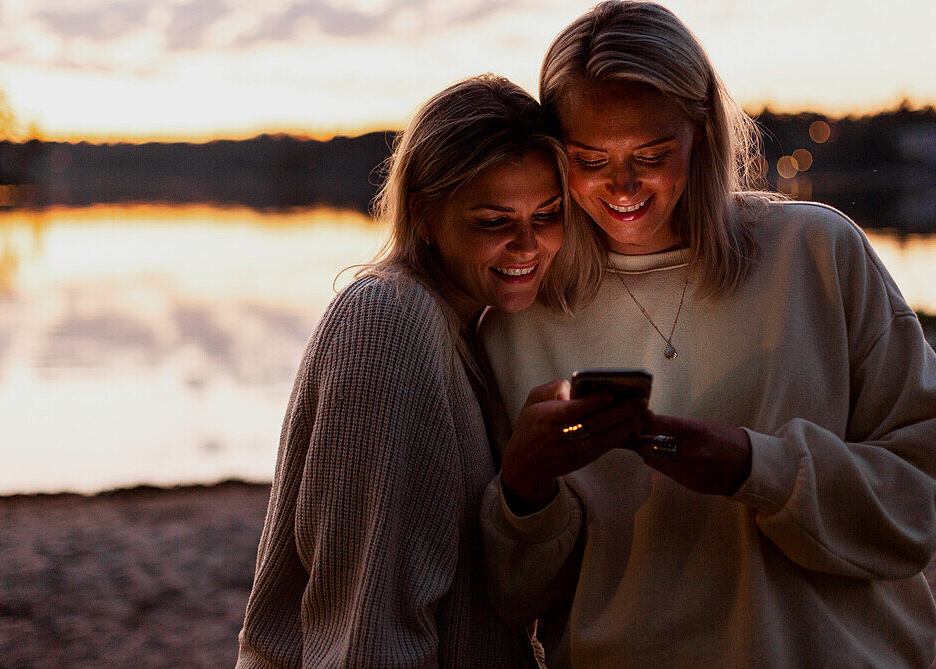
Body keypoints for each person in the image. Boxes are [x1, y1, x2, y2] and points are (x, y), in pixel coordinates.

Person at [478, 0, 936, 668]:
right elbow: (515, 598)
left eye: (651, 154)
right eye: (589, 159)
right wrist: (524, 488)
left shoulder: (816, 253)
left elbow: (925, 493)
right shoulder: (520, 317)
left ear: (702, 131)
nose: (622, 185)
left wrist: (756, 467)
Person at [236, 74, 641, 668]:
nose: (528, 245)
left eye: (547, 215)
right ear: (426, 214)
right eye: (494, 221)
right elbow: (366, 634)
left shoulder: (464, 331)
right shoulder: (388, 322)